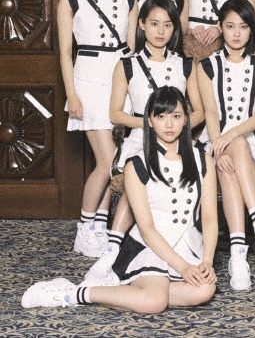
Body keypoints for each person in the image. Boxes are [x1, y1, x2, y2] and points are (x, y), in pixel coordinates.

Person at [22, 87, 218, 314]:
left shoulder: (203, 160)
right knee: (154, 303)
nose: (169, 124)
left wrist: (207, 261)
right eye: (161, 116)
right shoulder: (136, 165)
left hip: (187, 245)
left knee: (204, 290)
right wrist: (183, 268)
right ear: (150, 121)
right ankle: (74, 292)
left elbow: (209, 217)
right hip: (150, 247)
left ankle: (133, 291)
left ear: (185, 120)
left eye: (176, 116)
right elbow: (146, 229)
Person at [84, 0, 204, 280]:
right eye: (154, 24)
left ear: (174, 28)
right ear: (141, 25)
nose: (161, 31)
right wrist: (151, 127)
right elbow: (115, 113)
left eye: (167, 25)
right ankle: (112, 249)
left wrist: (175, 127)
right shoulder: (127, 65)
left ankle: (182, 241)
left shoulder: (186, 65)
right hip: (141, 137)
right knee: (139, 174)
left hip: (178, 138)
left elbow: (199, 111)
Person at [57, 0, 138, 258]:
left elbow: (131, 49)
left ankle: (99, 228)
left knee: (112, 162)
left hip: (119, 81)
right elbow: (65, 54)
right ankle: (84, 228)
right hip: (88, 82)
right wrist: (72, 95)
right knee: (107, 161)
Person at [197, 0, 255, 290]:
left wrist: (228, 138)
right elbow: (211, 112)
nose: (236, 33)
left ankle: (237, 254)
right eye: (230, 26)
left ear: (251, 29)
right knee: (228, 158)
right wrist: (219, 146)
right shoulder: (206, 66)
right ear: (220, 27)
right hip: (214, 140)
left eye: (243, 26)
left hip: (250, 142)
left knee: (239, 146)